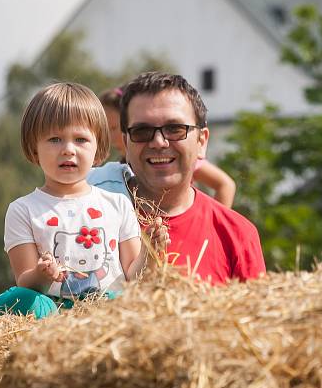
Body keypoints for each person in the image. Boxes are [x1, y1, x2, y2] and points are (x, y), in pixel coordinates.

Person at [0, 82, 144, 319]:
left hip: (109, 314)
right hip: (50, 312)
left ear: (98, 147)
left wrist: (152, 250)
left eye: (80, 139)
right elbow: (25, 281)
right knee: (20, 299)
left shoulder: (118, 204)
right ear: (34, 148)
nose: (68, 149)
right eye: (55, 139)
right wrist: (42, 274)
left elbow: (133, 274)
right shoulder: (23, 210)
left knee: (135, 302)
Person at [89, 71, 265, 284]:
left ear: (202, 141)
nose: (159, 142)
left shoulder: (238, 235)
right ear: (125, 143)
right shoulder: (84, 217)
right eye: (142, 130)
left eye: (175, 129)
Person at [99, 87, 237, 207]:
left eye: (113, 128)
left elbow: (225, 184)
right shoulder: (113, 171)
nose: (110, 137)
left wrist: (213, 223)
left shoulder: (177, 159)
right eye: (106, 130)